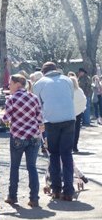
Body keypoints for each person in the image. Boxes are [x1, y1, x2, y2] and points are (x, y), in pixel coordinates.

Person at [33, 62, 75, 201]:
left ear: (44, 72)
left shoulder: (39, 83)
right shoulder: (67, 80)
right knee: (67, 154)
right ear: (56, 70)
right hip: (69, 120)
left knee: (54, 155)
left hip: (51, 122)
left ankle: (56, 189)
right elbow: (71, 98)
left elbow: (37, 105)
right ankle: (68, 190)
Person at [2, 74, 43, 207]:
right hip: (34, 137)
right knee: (32, 167)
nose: (9, 86)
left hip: (18, 137)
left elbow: (6, 119)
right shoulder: (34, 97)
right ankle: (34, 198)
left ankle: (12, 196)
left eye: (10, 83)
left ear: (16, 84)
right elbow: (40, 118)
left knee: (15, 167)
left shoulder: (11, 99)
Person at [67, 76, 86, 153]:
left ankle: (69, 146)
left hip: (69, 114)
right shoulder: (79, 90)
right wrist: (81, 109)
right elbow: (83, 100)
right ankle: (75, 146)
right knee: (77, 130)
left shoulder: (67, 91)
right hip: (78, 113)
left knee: (68, 131)